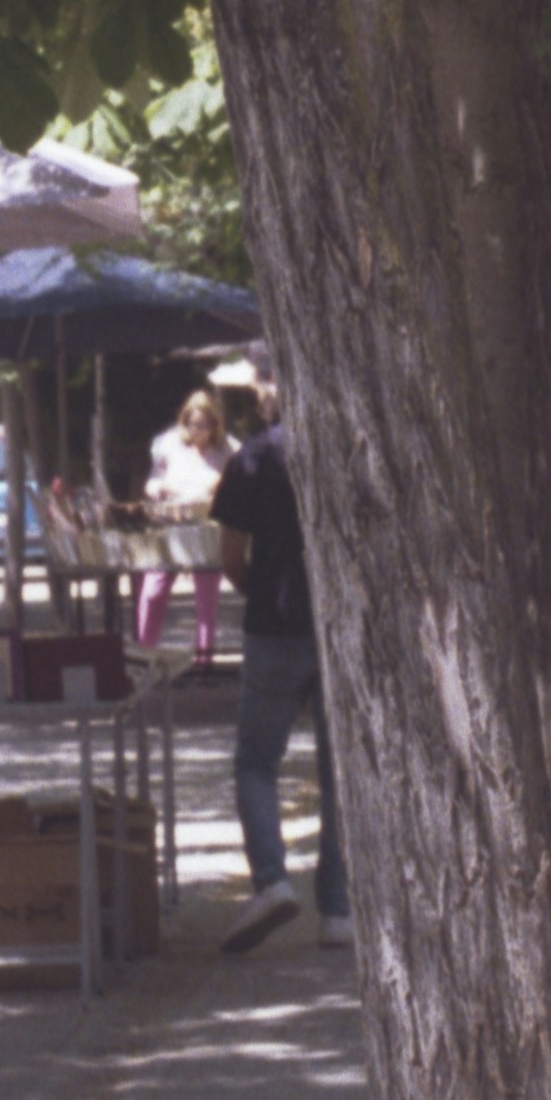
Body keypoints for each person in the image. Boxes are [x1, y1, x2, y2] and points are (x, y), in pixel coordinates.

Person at [212, 355, 349, 957]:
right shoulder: (350, 449)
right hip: (343, 628)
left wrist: (262, 591)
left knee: (255, 762)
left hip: (274, 623)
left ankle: (271, 879)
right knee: (340, 773)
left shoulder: (253, 457)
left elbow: (230, 557)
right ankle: (338, 909)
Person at [135, 387, 230, 663]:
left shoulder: (226, 450)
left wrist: (221, 487)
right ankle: (145, 654)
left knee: (206, 600)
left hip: (206, 529)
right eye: (193, 424)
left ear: (215, 424)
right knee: (153, 592)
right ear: (185, 422)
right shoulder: (169, 446)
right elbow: (152, 482)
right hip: (171, 528)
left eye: (205, 424)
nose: (199, 430)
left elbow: (238, 482)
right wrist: (157, 488)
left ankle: (204, 661)